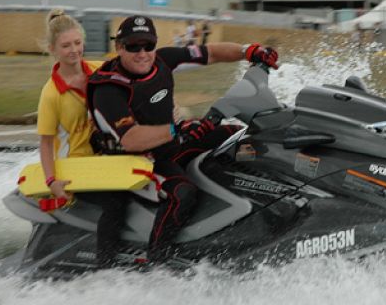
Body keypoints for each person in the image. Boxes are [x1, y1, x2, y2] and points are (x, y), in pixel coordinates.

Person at [87, 15, 279, 262]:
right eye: (133, 46)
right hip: (135, 159)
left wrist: (249, 51)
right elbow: (131, 139)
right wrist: (177, 130)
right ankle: (158, 259)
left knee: (236, 135)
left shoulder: (163, 60)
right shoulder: (108, 89)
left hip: (169, 144)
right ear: (119, 47)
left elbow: (211, 53)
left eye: (148, 45)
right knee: (182, 193)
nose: (142, 53)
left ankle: (253, 208)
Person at [37, 9, 103, 199]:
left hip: (107, 158)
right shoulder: (50, 94)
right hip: (74, 168)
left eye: (77, 42)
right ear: (52, 49)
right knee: (114, 206)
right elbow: (46, 143)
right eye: (66, 45)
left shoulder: (101, 69)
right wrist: (51, 181)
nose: (74, 50)